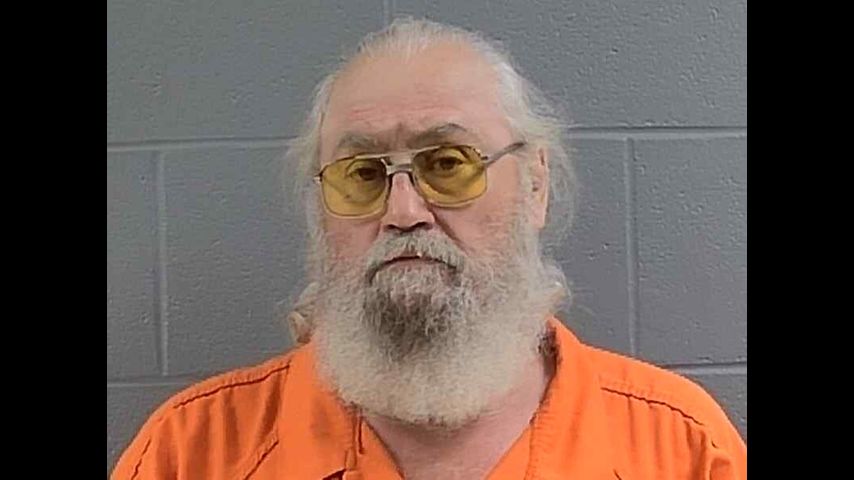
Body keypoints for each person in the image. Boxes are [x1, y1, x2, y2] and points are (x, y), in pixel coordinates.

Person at [111, 18, 746, 480]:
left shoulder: (680, 448)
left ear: (535, 186)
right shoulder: (191, 453)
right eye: (362, 174)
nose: (404, 212)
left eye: (448, 164)